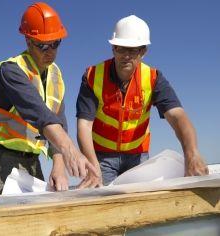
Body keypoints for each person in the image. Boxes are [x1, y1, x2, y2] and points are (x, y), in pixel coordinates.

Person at [76, 15, 209, 187]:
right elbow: (84, 126)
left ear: (143, 52)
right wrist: (93, 167)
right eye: (121, 49)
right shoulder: (92, 76)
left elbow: (177, 116)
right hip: (101, 156)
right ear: (113, 48)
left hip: (138, 156)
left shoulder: (154, 79)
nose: (126, 56)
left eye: (133, 50)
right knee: (100, 201)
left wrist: (192, 153)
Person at [0, 2, 97, 197]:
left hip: (32, 158)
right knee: (10, 221)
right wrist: (71, 151)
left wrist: (58, 165)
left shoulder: (55, 76)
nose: (50, 51)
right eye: (43, 45)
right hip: (1, 156)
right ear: (28, 41)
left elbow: (58, 120)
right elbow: (40, 114)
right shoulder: (11, 71)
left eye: (55, 43)